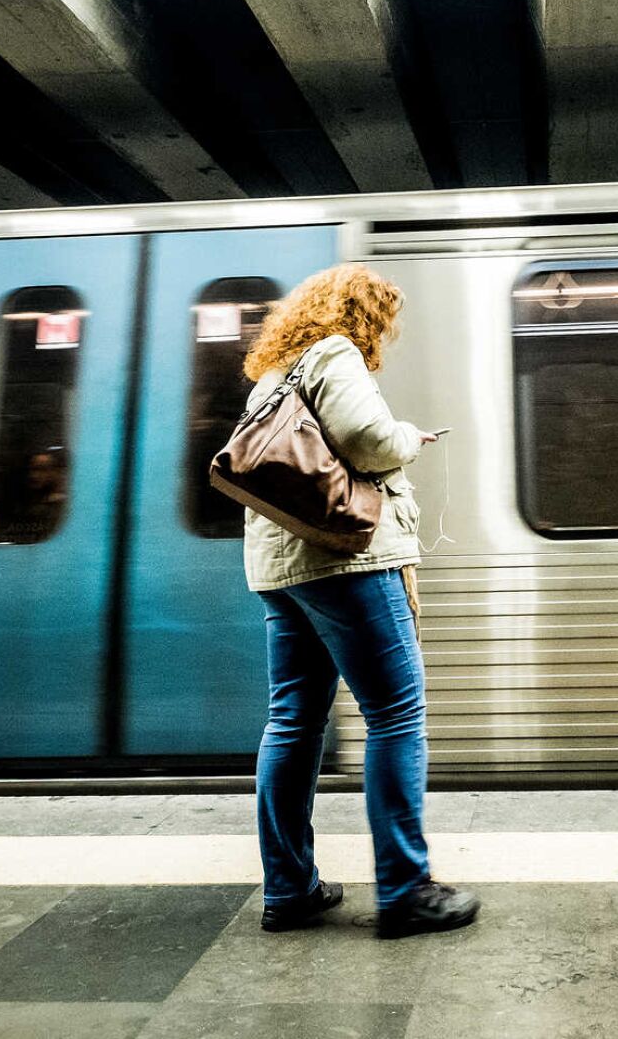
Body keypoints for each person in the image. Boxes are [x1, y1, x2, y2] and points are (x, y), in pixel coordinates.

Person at [240, 263, 480, 938]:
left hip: (282, 569)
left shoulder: (275, 373)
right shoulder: (335, 352)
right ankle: (405, 889)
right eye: (384, 319)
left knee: (292, 723)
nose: (385, 333)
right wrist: (410, 437)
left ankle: (290, 888)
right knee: (397, 714)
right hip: (346, 560)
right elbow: (371, 443)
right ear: (364, 313)